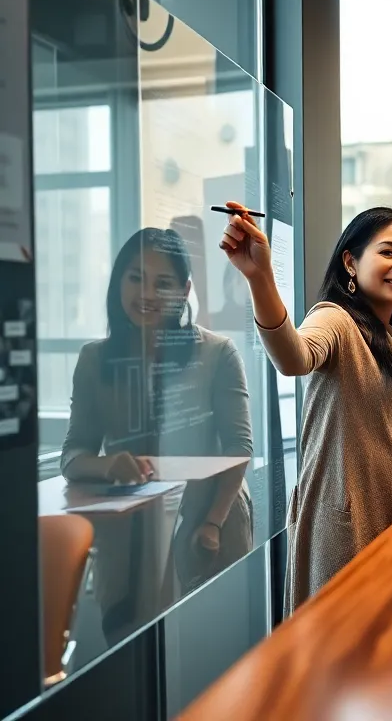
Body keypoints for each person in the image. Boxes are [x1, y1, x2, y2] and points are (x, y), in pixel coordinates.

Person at [218, 202, 392, 614]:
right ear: (351, 263)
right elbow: (293, 357)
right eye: (388, 252)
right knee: (343, 663)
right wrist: (259, 275)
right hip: (347, 528)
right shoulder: (336, 320)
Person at [62, 228, 253, 637]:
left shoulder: (218, 353)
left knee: (212, 658)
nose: (146, 293)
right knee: (134, 661)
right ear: (118, 282)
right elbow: (72, 456)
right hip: (129, 534)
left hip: (209, 521)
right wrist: (107, 465)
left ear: (184, 291)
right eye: (135, 277)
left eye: (162, 282)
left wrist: (213, 524)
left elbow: (240, 449)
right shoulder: (95, 359)